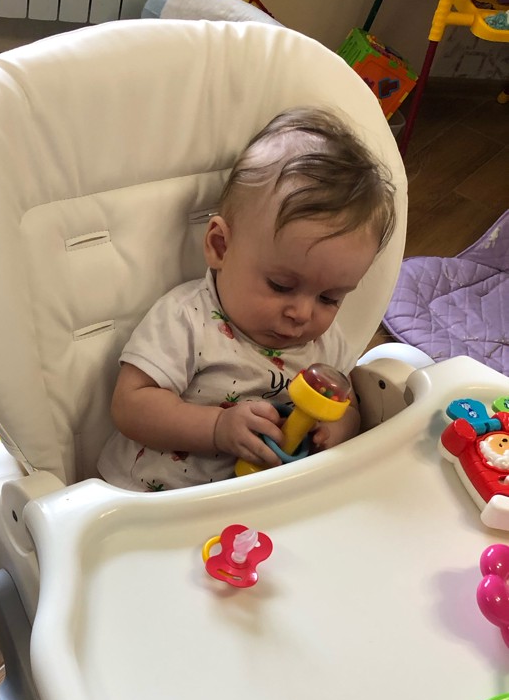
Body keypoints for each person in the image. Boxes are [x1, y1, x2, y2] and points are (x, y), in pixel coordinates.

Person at [96, 106, 396, 491]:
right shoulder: (188, 318)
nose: (302, 313)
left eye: (329, 298)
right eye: (281, 285)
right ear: (221, 246)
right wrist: (217, 427)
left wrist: (337, 429)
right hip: (153, 501)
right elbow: (130, 405)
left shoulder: (325, 346)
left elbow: (348, 405)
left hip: (261, 505)